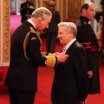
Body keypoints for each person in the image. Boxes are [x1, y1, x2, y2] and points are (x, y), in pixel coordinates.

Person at [5, 7, 68, 104]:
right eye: (47, 22)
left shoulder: (23, 28)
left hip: (16, 79)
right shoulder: (31, 34)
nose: (47, 26)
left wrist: (50, 54)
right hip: (24, 82)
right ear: (40, 20)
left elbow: (31, 53)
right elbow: (38, 59)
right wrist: (56, 59)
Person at [51, 22, 88, 104]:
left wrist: (82, 97)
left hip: (69, 97)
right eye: (58, 33)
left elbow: (81, 75)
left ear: (70, 34)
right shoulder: (67, 47)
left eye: (61, 33)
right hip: (62, 94)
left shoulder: (77, 49)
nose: (58, 36)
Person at [76, 2, 100, 94]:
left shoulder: (84, 24)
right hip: (87, 62)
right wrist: (89, 68)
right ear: (83, 11)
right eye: (91, 10)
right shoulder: (83, 26)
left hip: (87, 61)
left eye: (94, 10)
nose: (93, 13)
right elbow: (85, 49)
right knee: (83, 90)